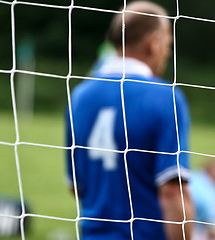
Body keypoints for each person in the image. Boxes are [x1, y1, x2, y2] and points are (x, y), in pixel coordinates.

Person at [65, 1, 193, 239]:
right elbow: (172, 193)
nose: (168, 52)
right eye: (168, 44)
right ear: (153, 42)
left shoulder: (80, 96)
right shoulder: (165, 97)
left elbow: (76, 185)